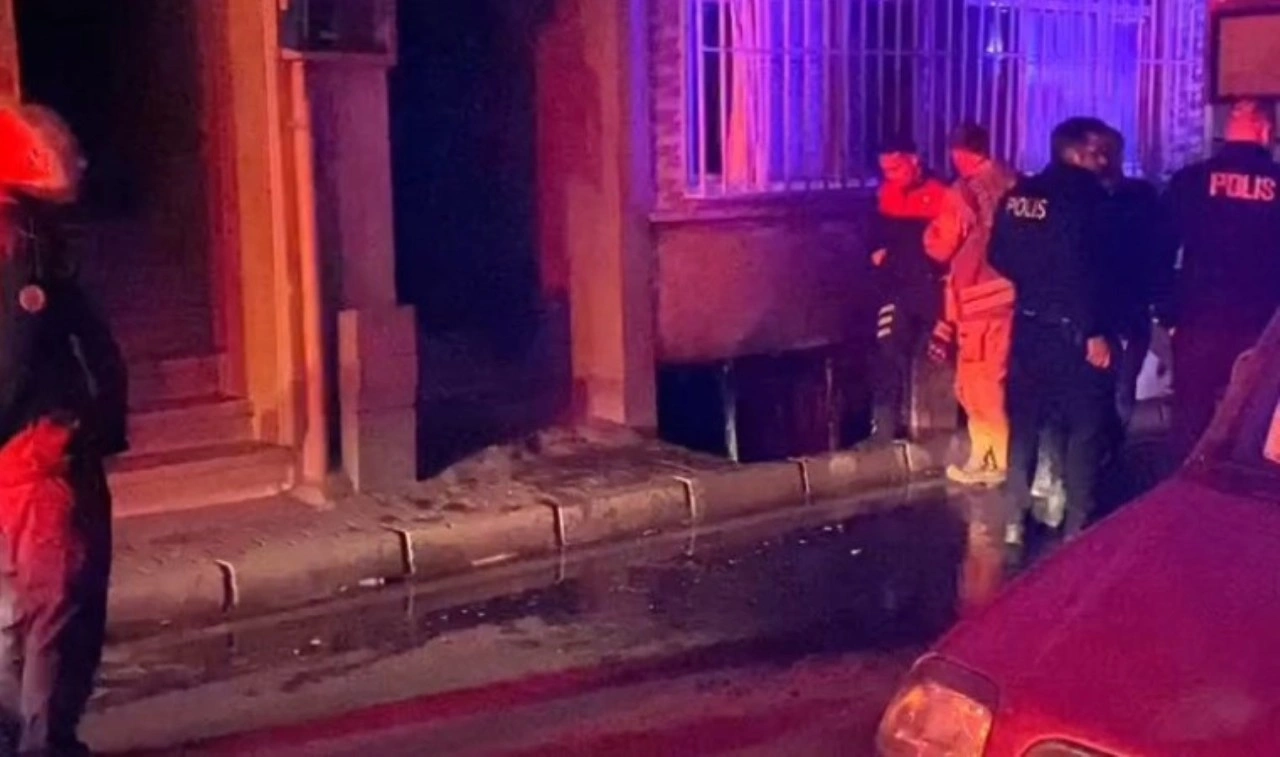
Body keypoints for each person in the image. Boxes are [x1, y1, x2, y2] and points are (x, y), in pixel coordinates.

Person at [0, 103, 127, 756]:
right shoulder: (20, 244)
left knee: (28, 609)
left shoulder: (36, 235)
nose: (74, 161)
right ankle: (43, 744)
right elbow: (19, 354)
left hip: (39, 453)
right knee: (56, 607)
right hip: (39, 456)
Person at [989, 117, 1119, 544]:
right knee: (1085, 425)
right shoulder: (1089, 199)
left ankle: (1013, 518)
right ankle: (1078, 524)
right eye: (1097, 152)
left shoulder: (1019, 196)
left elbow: (998, 254)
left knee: (1025, 422)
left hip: (1028, 325)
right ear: (1076, 153)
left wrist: (1034, 283)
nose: (1104, 161)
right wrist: (1094, 331)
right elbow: (1089, 269)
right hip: (1076, 331)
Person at [1162, 98, 1280, 455]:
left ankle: (1185, 483)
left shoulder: (1191, 180)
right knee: (1254, 416)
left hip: (1199, 317)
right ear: (1266, 130)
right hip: (1263, 323)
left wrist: (1169, 313)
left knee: (1190, 415)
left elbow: (1160, 248)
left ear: (1228, 130)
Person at [923, 123, 1018, 486]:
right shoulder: (1014, 182)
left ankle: (993, 461)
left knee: (977, 385)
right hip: (1010, 296)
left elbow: (941, 245)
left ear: (960, 153)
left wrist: (927, 234)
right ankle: (989, 458)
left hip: (978, 299)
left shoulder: (962, 192)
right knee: (991, 382)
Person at [867, 135, 948, 442]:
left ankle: (929, 432)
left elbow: (941, 245)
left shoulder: (940, 193)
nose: (891, 176)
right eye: (885, 170)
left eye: (896, 168)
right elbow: (873, 238)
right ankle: (884, 429)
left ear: (914, 160)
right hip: (895, 289)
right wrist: (878, 254)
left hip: (931, 290)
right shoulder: (884, 194)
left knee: (933, 356)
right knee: (887, 351)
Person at [1098, 126, 1174, 431]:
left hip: (1124, 304)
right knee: (1116, 388)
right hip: (1115, 304)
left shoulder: (1138, 195)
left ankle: (1113, 446)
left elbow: (1159, 246)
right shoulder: (1138, 195)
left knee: (1120, 387)